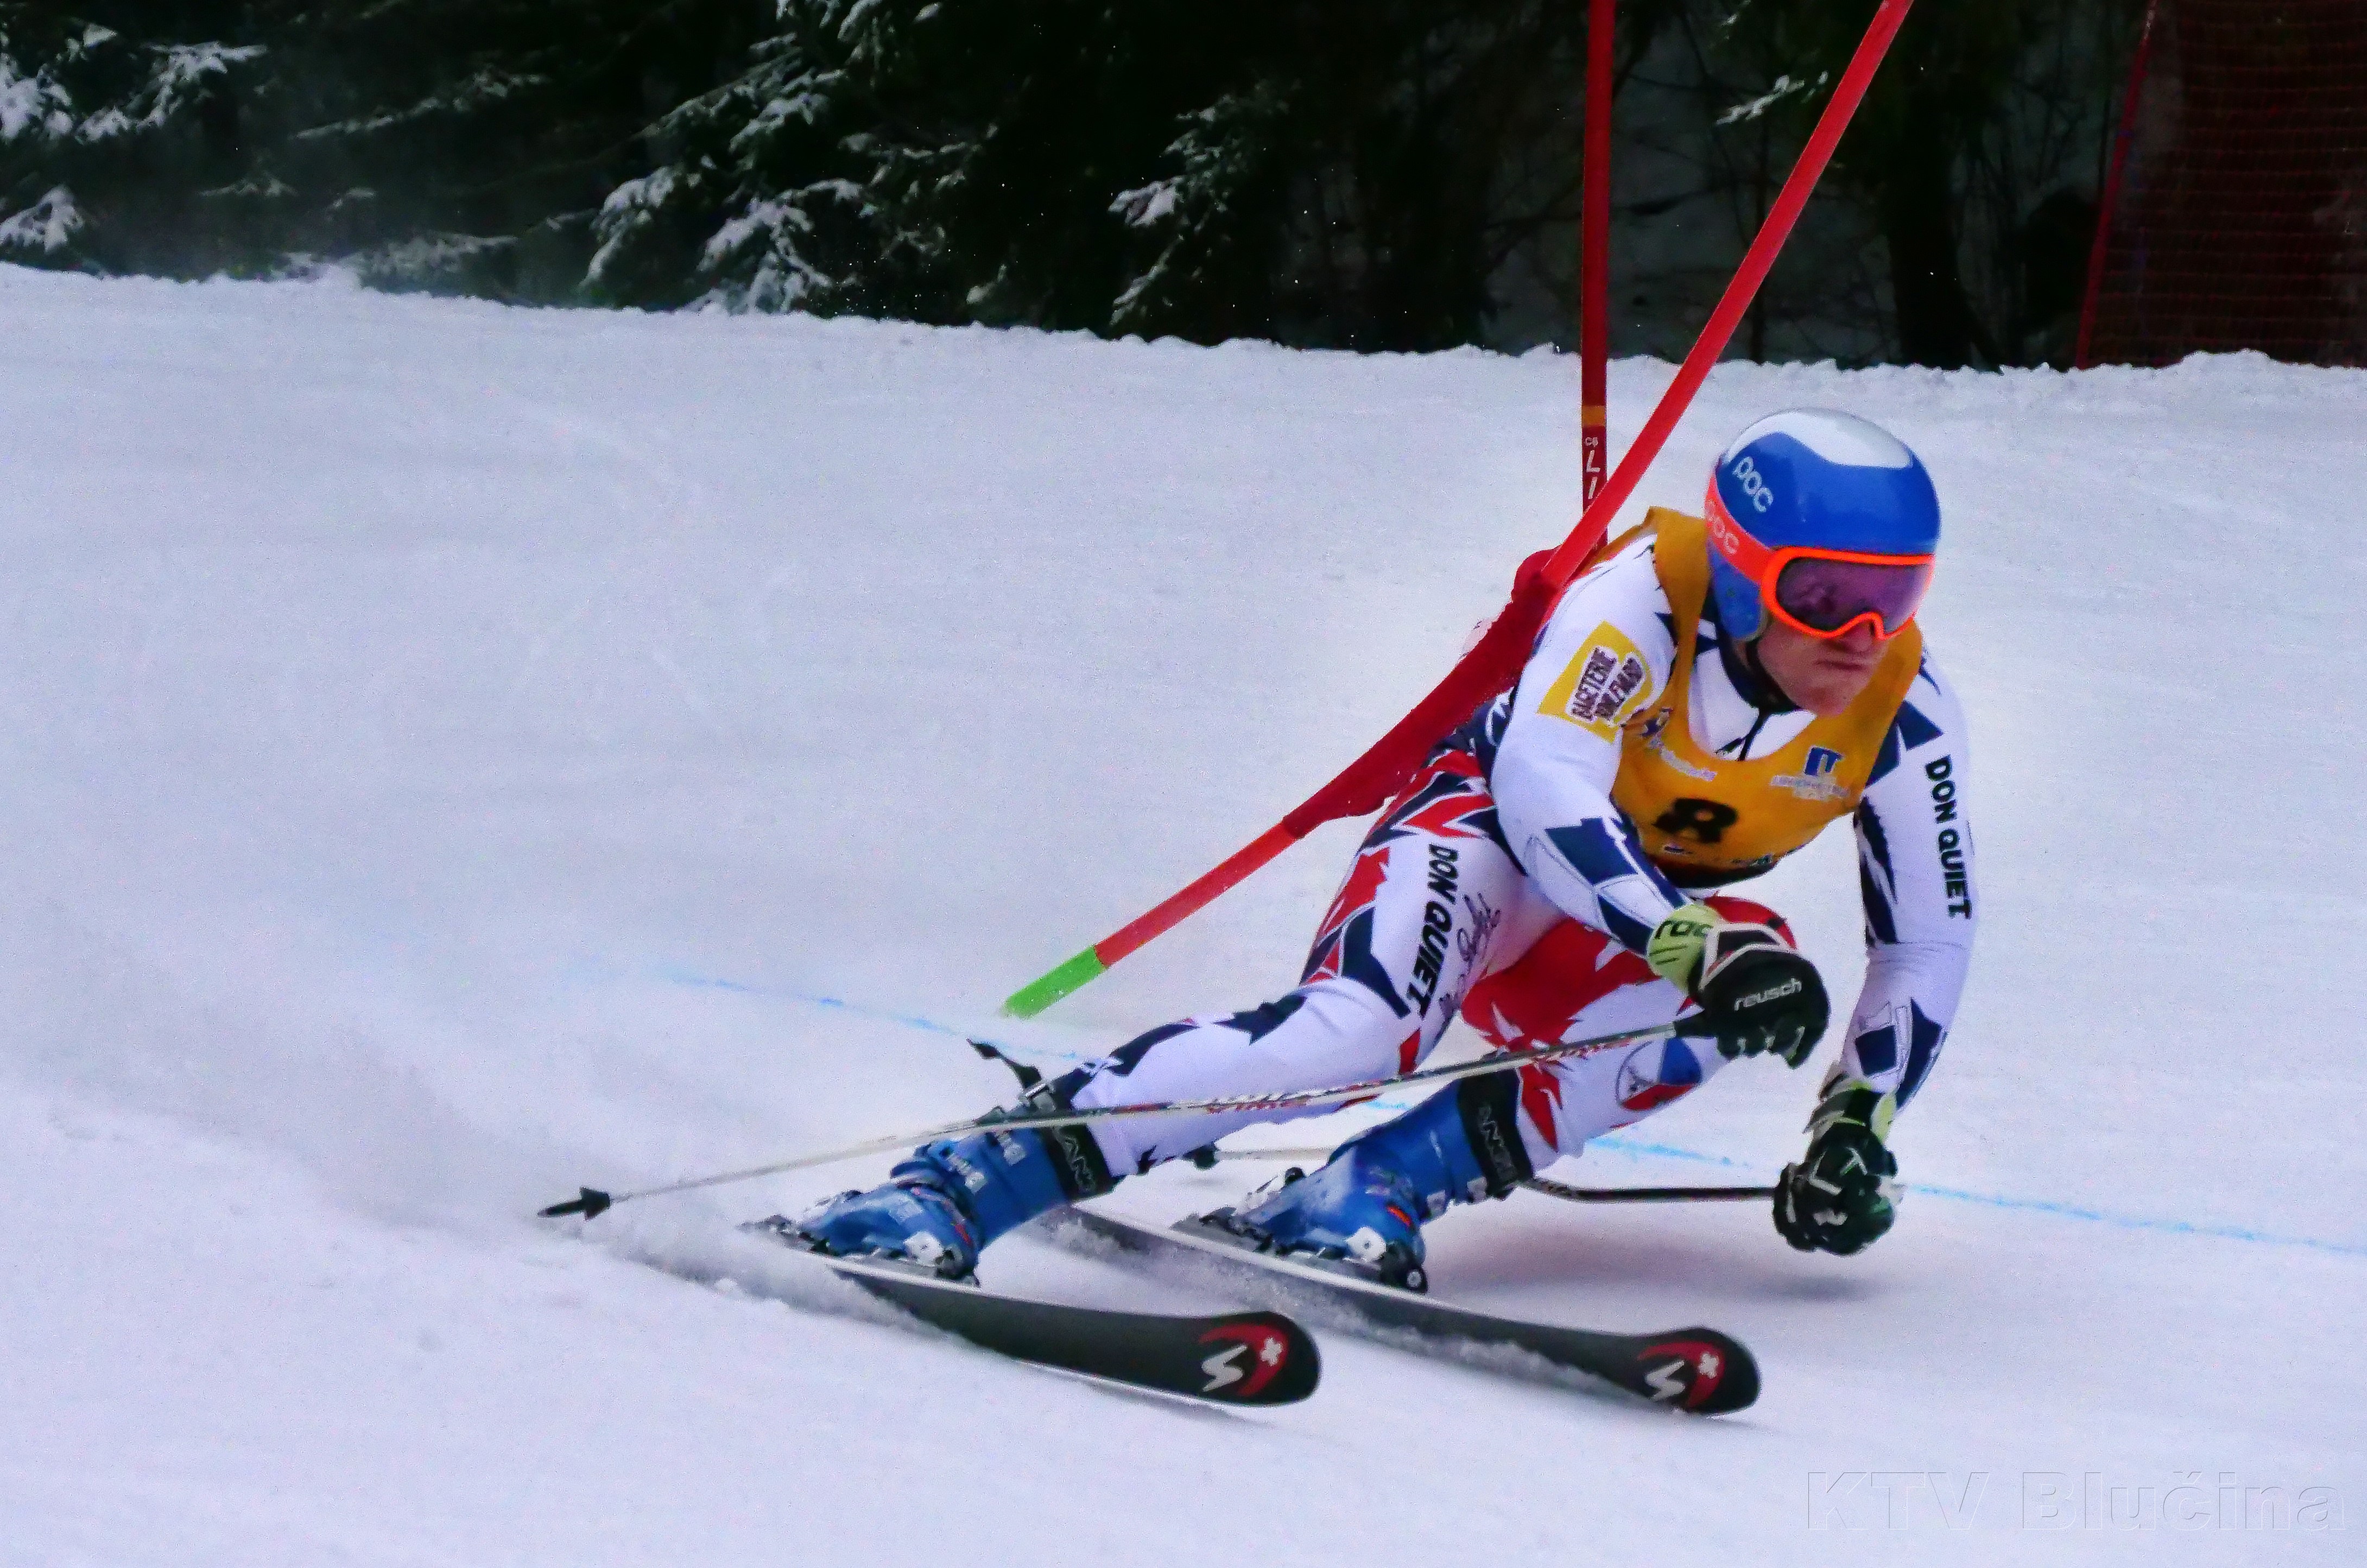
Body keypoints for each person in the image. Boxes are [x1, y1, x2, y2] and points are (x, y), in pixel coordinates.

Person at [789, 408, 1976, 1286]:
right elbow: (1545, 789)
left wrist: (1856, 1122)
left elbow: (1926, 941)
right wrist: (1692, 941)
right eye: (1827, 595)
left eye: (1899, 595)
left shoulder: (1905, 713)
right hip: (1489, 842)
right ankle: (955, 1184)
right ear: (1740, 571)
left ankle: (1365, 1192)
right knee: (1358, 1033)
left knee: (1745, 986)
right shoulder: (1639, 605)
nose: (1863, 636)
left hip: (1619, 929)